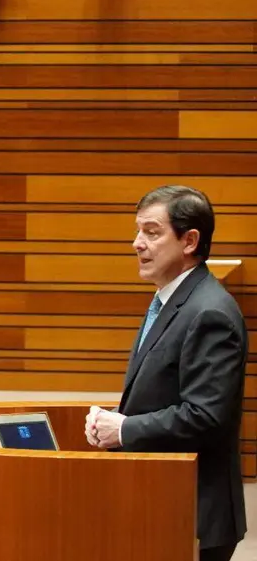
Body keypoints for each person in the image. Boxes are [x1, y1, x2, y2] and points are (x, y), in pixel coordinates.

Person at [86, 186, 246, 561]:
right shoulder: (171, 300)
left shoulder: (209, 312)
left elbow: (206, 417)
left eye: (152, 232)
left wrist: (124, 429)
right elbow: (168, 391)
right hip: (164, 503)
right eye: (138, 231)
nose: (137, 243)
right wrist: (117, 417)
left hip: (193, 515)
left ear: (189, 241)